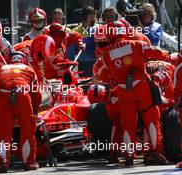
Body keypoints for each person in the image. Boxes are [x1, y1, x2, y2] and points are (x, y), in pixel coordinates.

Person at [102, 21, 170, 166]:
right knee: (151, 118)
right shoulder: (136, 44)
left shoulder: (106, 54)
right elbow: (156, 52)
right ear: (125, 31)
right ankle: (154, 152)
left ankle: (129, 156)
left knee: (127, 123)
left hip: (123, 91)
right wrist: (167, 55)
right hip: (142, 87)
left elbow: (105, 75)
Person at [0, 57, 42, 173]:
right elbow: (36, 94)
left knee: (2, 132)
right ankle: (29, 162)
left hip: (2, 95)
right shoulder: (29, 69)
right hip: (22, 95)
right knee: (27, 129)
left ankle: (2, 162)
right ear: (23, 61)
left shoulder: (1, 69)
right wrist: (34, 112)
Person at [72, 6, 96, 77]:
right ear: (84, 15)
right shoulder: (76, 31)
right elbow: (72, 50)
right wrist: (72, 62)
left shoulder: (98, 29)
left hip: (96, 62)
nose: (92, 15)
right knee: (86, 86)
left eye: (93, 14)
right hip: (83, 63)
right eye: (90, 13)